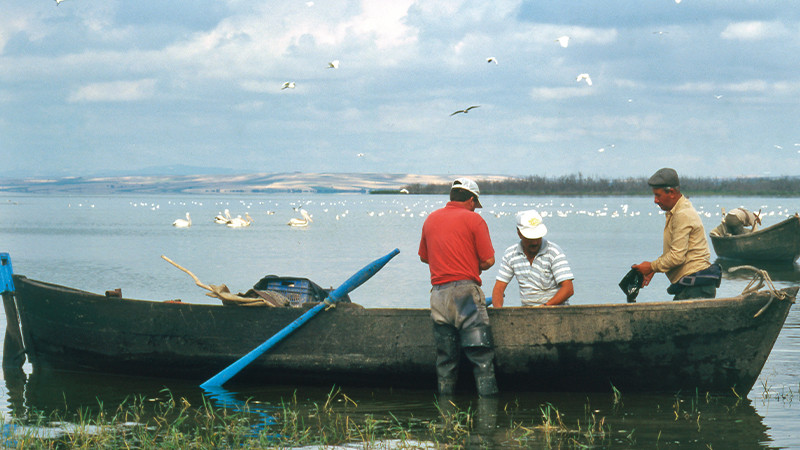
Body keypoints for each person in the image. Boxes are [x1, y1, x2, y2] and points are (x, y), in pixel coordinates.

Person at [418, 177, 498, 397]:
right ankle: (489, 414)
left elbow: (425, 257)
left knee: (445, 360)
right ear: (471, 200)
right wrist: (471, 265)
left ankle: (445, 414)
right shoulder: (474, 220)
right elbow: (489, 261)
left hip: (438, 296)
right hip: (465, 296)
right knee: (481, 356)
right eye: (476, 204)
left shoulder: (431, 219)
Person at [632, 168, 720, 300]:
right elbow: (676, 252)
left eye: (658, 195)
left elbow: (677, 257)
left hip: (696, 287)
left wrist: (651, 266)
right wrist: (653, 269)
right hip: (691, 285)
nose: (655, 200)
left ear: (672, 193)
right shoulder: (676, 211)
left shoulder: (682, 214)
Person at [491, 210, 574, 307]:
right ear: (519, 233)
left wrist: (546, 306)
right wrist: (499, 312)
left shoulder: (554, 251)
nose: (534, 242)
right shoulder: (511, 254)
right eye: (530, 238)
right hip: (527, 313)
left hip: (556, 311)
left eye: (537, 237)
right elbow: (498, 289)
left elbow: (568, 288)